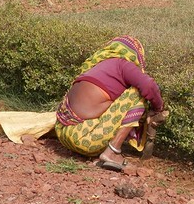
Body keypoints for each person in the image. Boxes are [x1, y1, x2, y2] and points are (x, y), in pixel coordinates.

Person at [54, 35, 166, 171]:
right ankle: (112, 152)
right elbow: (149, 85)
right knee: (137, 93)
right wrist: (158, 107)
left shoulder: (98, 65)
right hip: (84, 140)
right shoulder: (123, 65)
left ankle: (110, 147)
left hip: (62, 133)